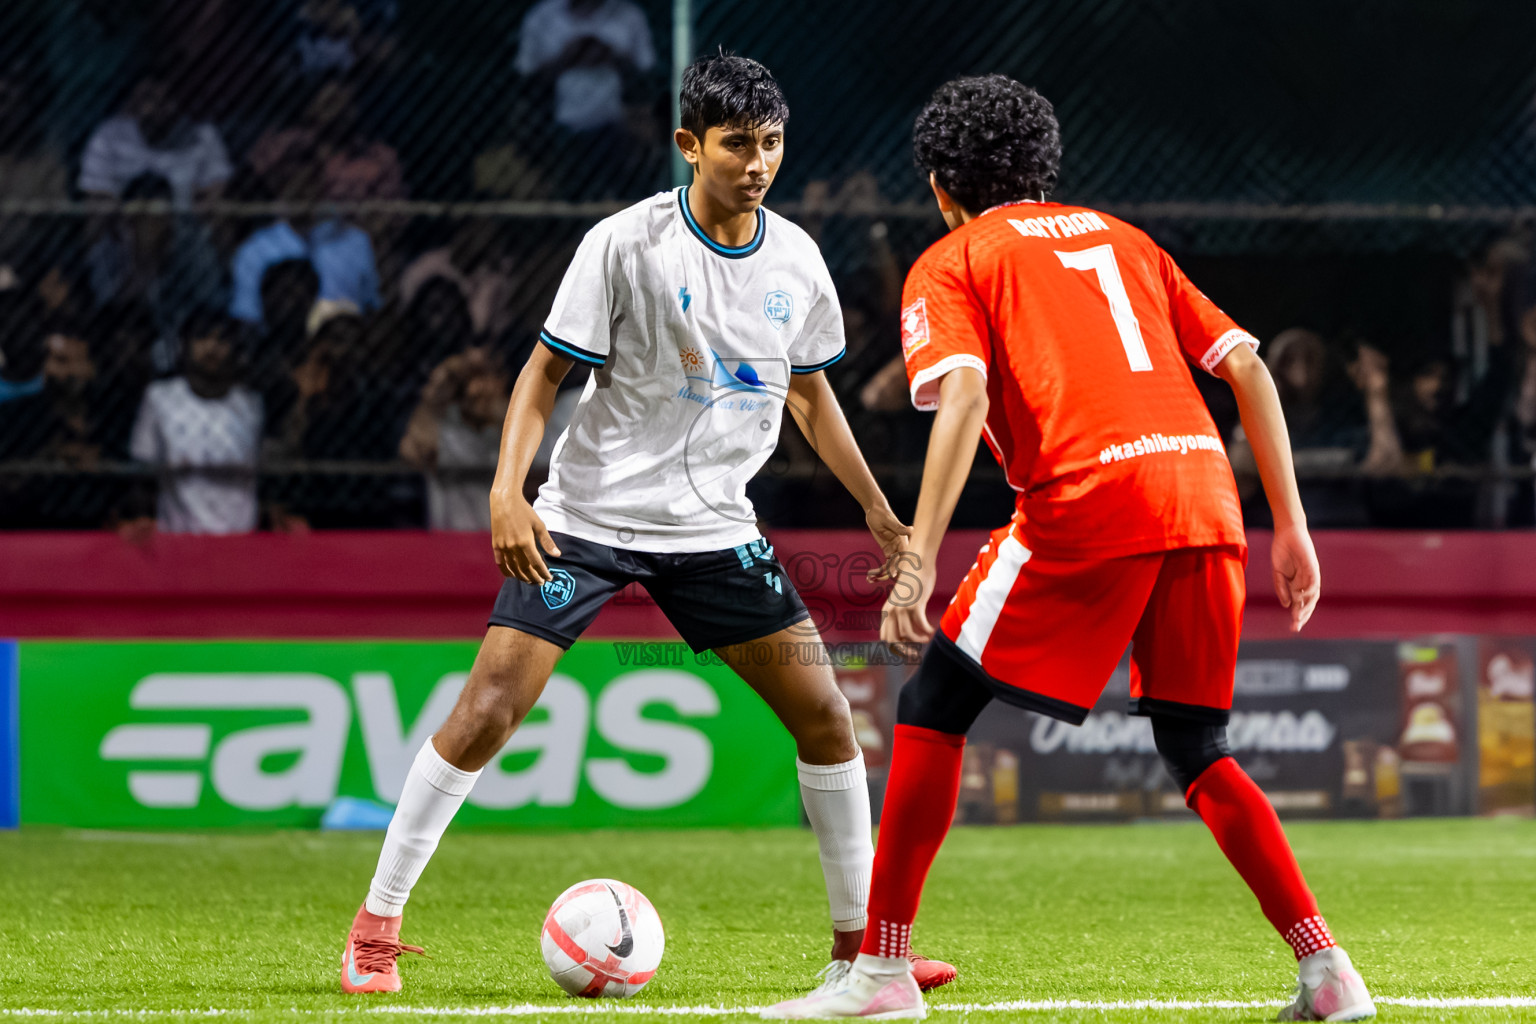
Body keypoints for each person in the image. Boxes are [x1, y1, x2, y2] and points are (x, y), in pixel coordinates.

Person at [336, 52, 955, 997]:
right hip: (587, 518)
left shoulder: (797, 258)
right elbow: (543, 373)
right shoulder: (625, 243)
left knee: (829, 719)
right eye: (736, 144)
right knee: (489, 710)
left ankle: (864, 954)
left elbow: (808, 394)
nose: (757, 163)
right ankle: (375, 930)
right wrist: (509, 492)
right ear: (688, 145)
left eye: (771, 143)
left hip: (713, 529)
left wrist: (877, 510)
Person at [765, 76, 1376, 1022]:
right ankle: (1326, 970)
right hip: (1206, 496)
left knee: (934, 703)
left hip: (1092, 496)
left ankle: (881, 973)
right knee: (1199, 746)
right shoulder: (1128, 240)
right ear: (1044, 168)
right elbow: (1248, 366)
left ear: (940, 186)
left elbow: (964, 397)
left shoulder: (954, 258)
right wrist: (1291, 525)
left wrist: (917, 558)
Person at [129, 310, 262, 534]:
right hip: (179, 534)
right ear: (185, 345)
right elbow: (142, 468)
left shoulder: (251, 405)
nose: (212, 347)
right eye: (202, 337)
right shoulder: (160, 398)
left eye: (222, 340)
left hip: (239, 536)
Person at [77, 73, 232, 205]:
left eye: (164, 99)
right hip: (123, 221)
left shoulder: (203, 135)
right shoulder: (110, 134)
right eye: (148, 98)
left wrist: (184, 201)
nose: (153, 108)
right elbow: (94, 192)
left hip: (187, 221)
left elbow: (218, 186)